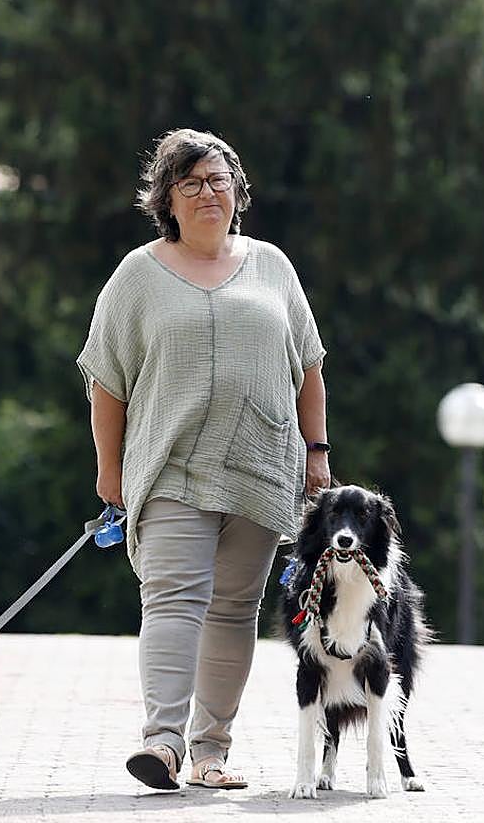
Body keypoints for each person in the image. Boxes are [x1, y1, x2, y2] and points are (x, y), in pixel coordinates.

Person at [77, 129, 330, 791]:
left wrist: (318, 453)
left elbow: (308, 366)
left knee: (233, 609)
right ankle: (162, 743)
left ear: (238, 193)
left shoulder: (273, 265)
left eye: (218, 181)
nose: (207, 193)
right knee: (172, 599)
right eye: (189, 183)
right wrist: (109, 470)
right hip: (170, 467)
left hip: (261, 465)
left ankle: (211, 750)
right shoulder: (138, 275)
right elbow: (107, 380)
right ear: (167, 200)